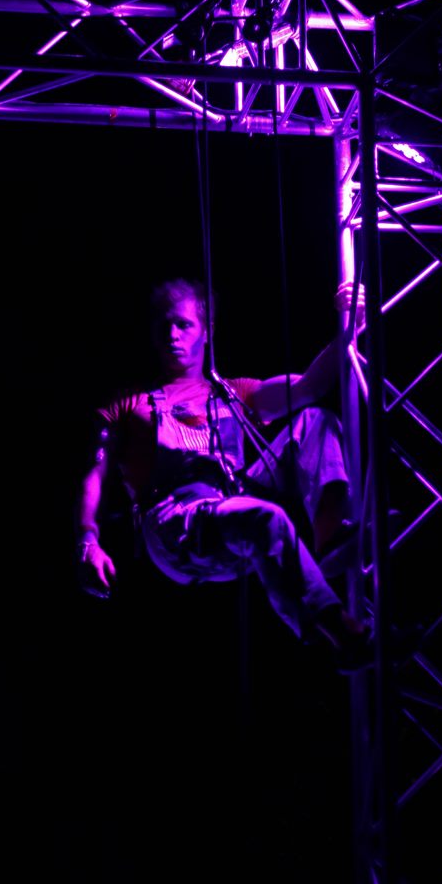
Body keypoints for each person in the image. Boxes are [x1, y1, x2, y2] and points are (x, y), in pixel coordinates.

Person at [75, 276, 373, 674]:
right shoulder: (129, 405)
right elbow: (93, 473)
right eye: (164, 325)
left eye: (184, 324)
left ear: (207, 331)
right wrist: (88, 541)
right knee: (263, 517)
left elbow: (308, 387)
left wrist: (350, 328)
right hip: (174, 523)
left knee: (315, 421)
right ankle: (342, 634)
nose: (172, 334)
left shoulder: (232, 393)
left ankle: (328, 538)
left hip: (228, 507)